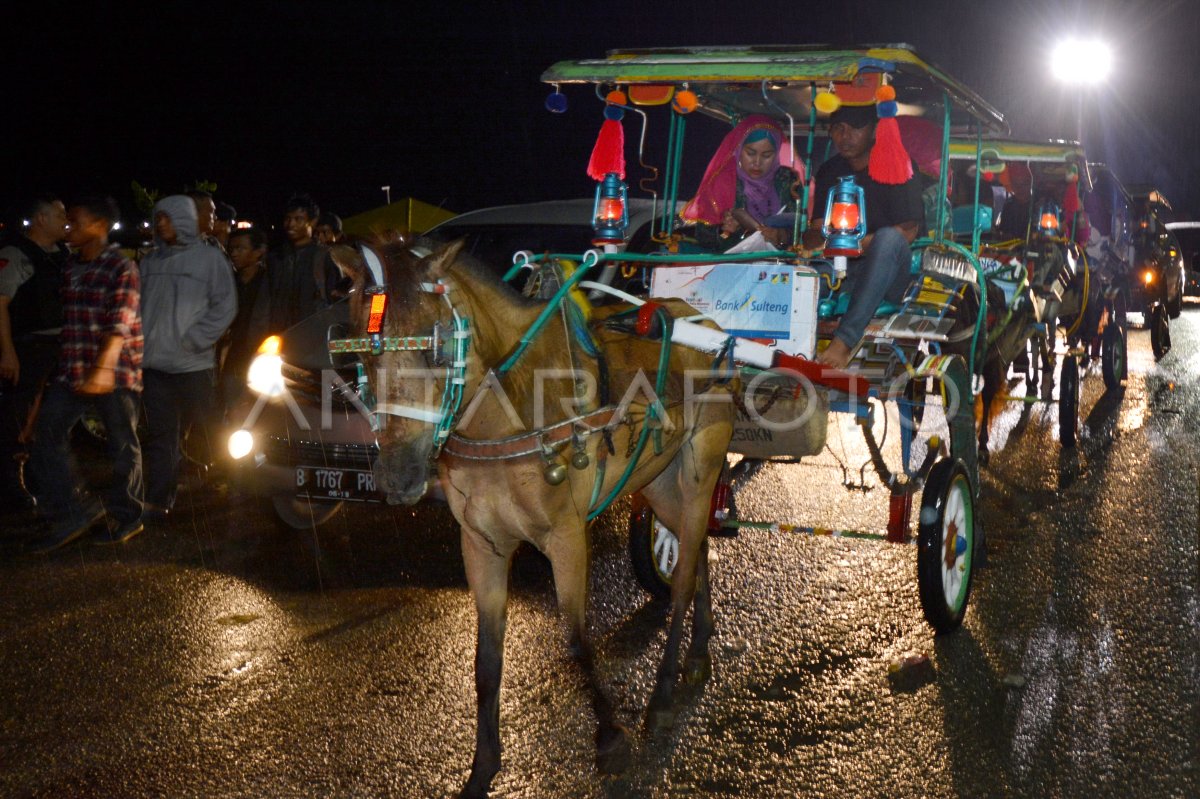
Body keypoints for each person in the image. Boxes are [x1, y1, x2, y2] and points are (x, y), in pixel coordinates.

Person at [28, 197, 144, 551]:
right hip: (74, 369)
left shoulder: (120, 267)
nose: (68, 227)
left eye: (75, 221)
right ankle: (74, 512)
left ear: (98, 226)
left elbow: (119, 323)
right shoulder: (71, 265)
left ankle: (128, 516)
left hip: (115, 371)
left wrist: (103, 368)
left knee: (122, 445)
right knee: (46, 434)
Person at [139, 195, 237, 520]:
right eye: (158, 218)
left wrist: (195, 340)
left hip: (193, 367)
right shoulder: (149, 262)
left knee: (208, 427)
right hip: (155, 368)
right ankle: (158, 501)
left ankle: (233, 482)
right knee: (161, 436)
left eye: (167, 218)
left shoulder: (210, 260)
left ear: (182, 218)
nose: (160, 224)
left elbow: (225, 306)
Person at [805, 104, 924, 368]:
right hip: (839, 268)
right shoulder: (829, 171)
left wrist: (853, 246)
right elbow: (817, 227)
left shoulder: (900, 166)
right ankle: (792, 344)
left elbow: (908, 231)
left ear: (873, 131)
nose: (845, 136)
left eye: (855, 128)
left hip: (889, 272)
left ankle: (843, 342)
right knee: (806, 273)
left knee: (889, 239)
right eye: (838, 128)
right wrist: (808, 242)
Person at [0, 194, 69, 507]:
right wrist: (8, 352)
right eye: (59, 215)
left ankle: (40, 475)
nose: (65, 220)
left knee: (46, 416)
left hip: (59, 347)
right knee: (19, 415)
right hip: (29, 347)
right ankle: (12, 480)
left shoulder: (63, 254)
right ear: (41, 219)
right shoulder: (16, 254)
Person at [681, 114, 801, 251]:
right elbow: (703, 238)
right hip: (732, 264)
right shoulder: (722, 182)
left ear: (776, 154)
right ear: (739, 149)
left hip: (781, 265)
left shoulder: (788, 180)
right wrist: (725, 231)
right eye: (750, 153)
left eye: (767, 155)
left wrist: (782, 235)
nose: (757, 162)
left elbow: (804, 229)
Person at [263, 193, 341, 333]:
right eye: (288, 219)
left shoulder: (325, 256)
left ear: (312, 221)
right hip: (279, 335)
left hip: (314, 335)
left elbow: (336, 299)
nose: (290, 224)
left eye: (298, 219)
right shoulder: (276, 258)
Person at [220, 226, 270, 414]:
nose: (234, 253)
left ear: (259, 251)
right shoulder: (228, 282)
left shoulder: (269, 283)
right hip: (233, 356)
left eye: (241, 248)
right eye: (231, 249)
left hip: (260, 355)